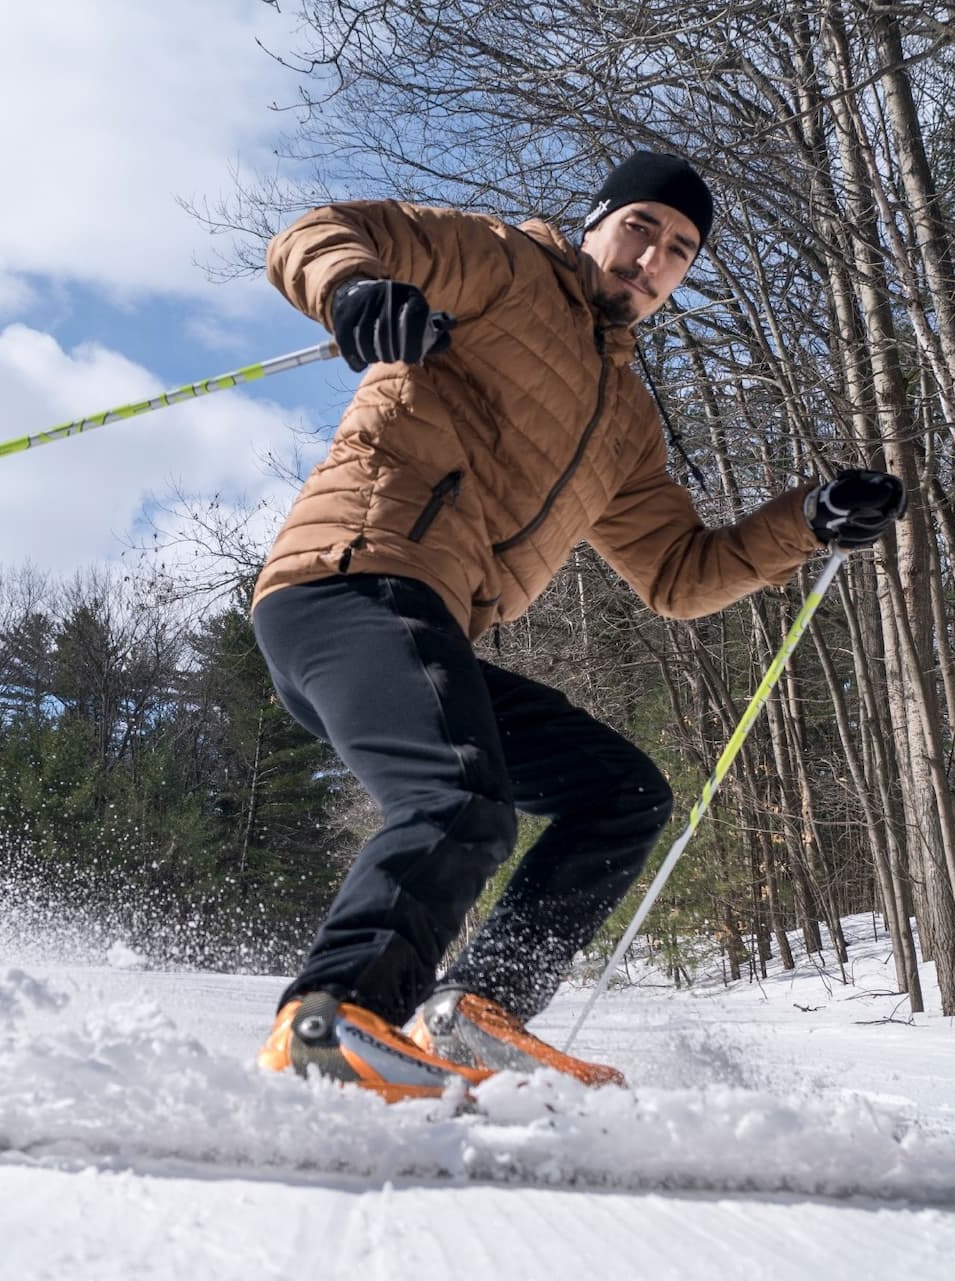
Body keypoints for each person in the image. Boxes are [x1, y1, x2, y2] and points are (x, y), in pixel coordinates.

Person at [249, 152, 906, 1101]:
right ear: (596, 222)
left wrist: (805, 521)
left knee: (620, 794)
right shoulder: (505, 266)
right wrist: (357, 292)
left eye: (679, 250)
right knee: (461, 801)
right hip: (348, 582)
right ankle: (329, 1017)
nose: (652, 258)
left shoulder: (626, 422)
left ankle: (475, 1008)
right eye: (641, 226)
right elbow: (313, 235)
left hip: (429, 629)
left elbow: (680, 574)